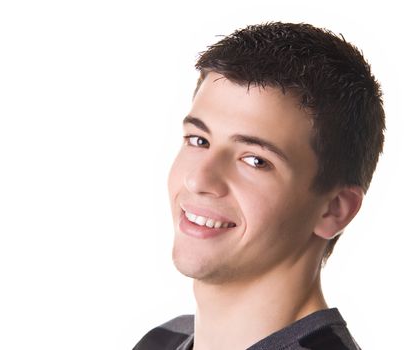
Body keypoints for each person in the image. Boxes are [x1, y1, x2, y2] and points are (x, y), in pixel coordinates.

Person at [134, 22, 385, 350]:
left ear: (333, 210)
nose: (198, 179)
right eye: (199, 140)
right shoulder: (162, 342)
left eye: (255, 160)